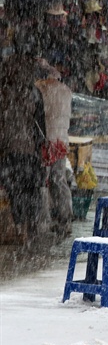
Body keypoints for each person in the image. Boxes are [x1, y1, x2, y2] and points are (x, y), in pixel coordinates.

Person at [0, 25, 47, 246]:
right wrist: (40, 148)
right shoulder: (33, 94)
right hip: (28, 151)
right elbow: (40, 126)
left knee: (16, 191)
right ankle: (31, 227)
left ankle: (20, 228)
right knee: (31, 190)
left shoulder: (4, 95)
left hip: (10, 150)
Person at [35, 59, 74, 236]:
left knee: (45, 181)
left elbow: (42, 115)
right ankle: (64, 220)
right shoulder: (66, 91)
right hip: (61, 140)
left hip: (47, 139)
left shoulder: (42, 89)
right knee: (59, 180)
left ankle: (47, 221)